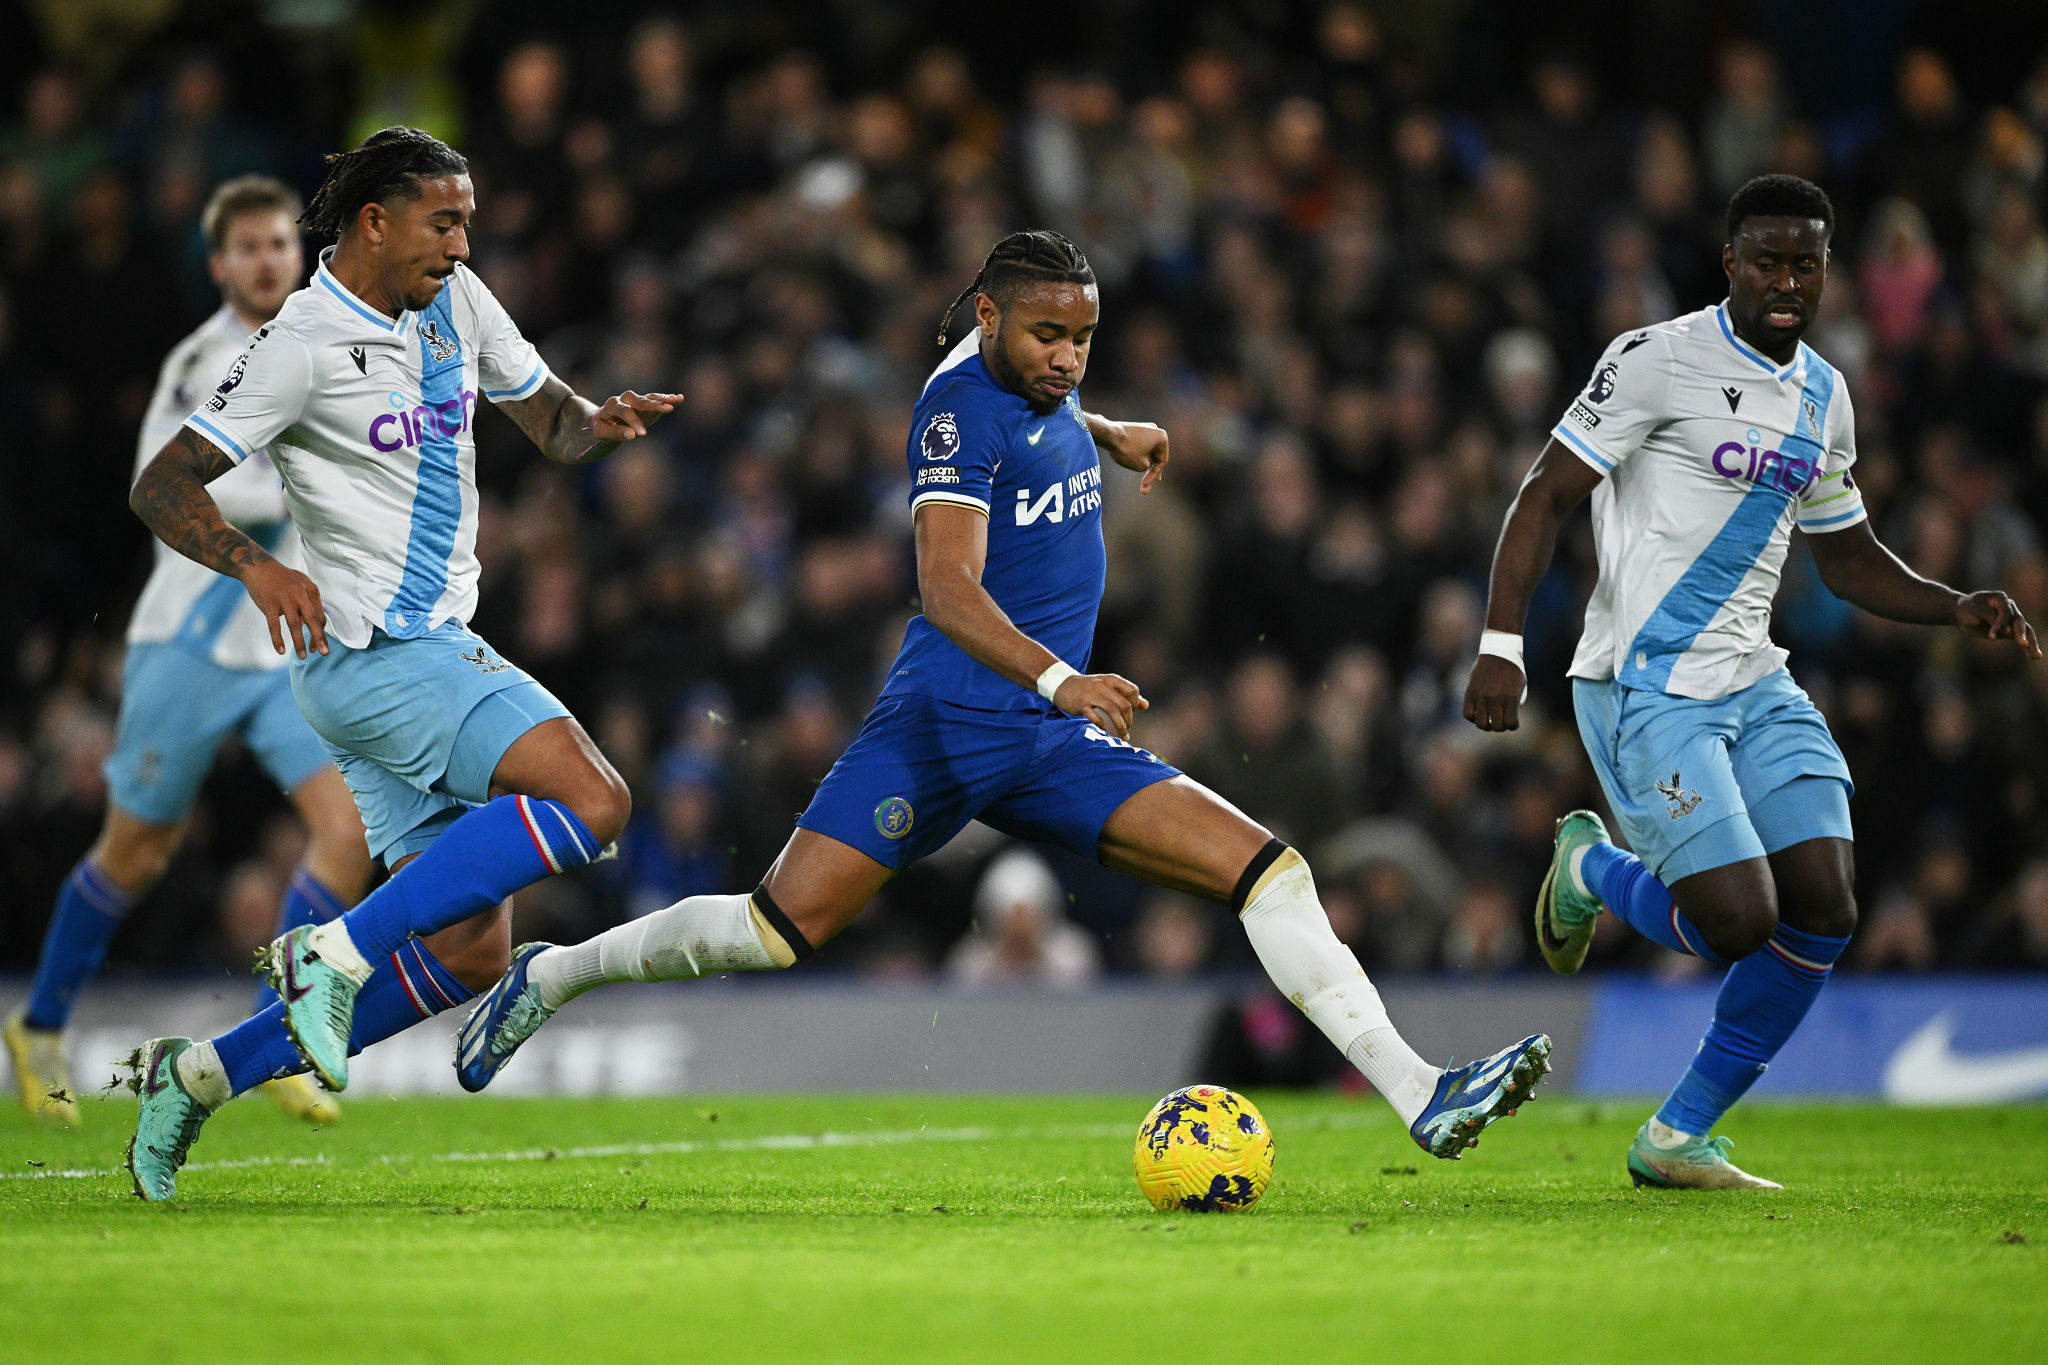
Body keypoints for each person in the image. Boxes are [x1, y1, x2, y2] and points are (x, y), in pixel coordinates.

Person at [455, 231, 1552, 1161]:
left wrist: (1104, 431)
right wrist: (1062, 677)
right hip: (957, 720)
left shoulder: (1041, 392)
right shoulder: (955, 416)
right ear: (987, 317)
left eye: (1083, 338)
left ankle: (1418, 1091)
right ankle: (555, 974)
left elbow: (1046, 407)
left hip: (1034, 732)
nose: (1068, 358)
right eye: (1047, 337)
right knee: (775, 929)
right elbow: (945, 590)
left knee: (1270, 872)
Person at [120, 127, 681, 1201]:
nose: (462, 244)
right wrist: (252, 566)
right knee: (593, 798)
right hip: (375, 657)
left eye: (467, 220)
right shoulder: (300, 343)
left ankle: (197, 1077)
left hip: (406, 658)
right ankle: (325, 953)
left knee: (472, 954)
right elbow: (162, 485)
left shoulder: (456, 306)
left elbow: (549, 424)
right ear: (373, 222)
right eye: (443, 221)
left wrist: (597, 425)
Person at [1464, 174, 2041, 1189]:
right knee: (1737, 920)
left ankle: (1674, 1136)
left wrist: (1952, 602)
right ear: (1728, 261)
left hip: (1753, 682)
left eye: (1805, 263)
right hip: (1643, 685)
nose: (1786, 281)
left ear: (1825, 270)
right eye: (1766, 260)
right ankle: (1590, 870)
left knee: (1822, 904)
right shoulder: (1653, 360)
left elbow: (1847, 554)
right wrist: (1500, 645)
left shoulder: (1823, 394)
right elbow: (1544, 492)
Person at [5, 176, 369, 1129]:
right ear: (219, 266)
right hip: (191, 641)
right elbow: (156, 486)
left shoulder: (333, 352)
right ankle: (38, 1028)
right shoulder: (200, 361)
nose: (264, 260)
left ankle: (272, 1038)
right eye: (245, 247)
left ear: (302, 256)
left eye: (278, 245)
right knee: (138, 849)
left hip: (289, 647)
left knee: (349, 826)